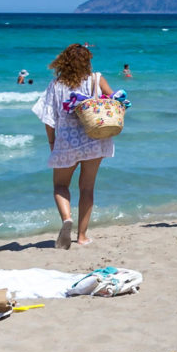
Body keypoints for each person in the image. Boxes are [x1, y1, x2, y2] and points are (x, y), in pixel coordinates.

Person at [30, 44, 115, 249]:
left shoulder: (56, 84)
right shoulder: (96, 79)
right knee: (87, 188)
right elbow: (114, 103)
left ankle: (67, 218)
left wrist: (52, 142)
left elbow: (48, 118)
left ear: (64, 61)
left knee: (60, 186)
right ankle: (82, 236)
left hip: (66, 142)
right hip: (94, 139)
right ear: (87, 61)